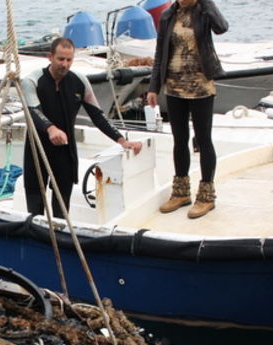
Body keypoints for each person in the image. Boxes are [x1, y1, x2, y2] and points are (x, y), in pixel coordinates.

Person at [22, 37, 143, 216]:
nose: (64, 64)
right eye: (60, 59)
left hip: (64, 150)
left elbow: (98, 115)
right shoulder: (33, 80)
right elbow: (33, 111)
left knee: (62, 209)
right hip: (36, 149)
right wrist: (51, 128)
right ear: (50, 57)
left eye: (69, 60)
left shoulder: (79, 81)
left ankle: (59, 238)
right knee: (35, 207)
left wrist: (122, 140)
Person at [146, 0, 228, 218]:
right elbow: (159, 53)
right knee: (179, 139)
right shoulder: (168, 15)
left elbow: (222, 27)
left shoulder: (203, 12)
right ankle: (181, 192)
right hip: (174, 86)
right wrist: (153, 87)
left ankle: (206, 195)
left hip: (201, 85)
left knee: (203, 139)